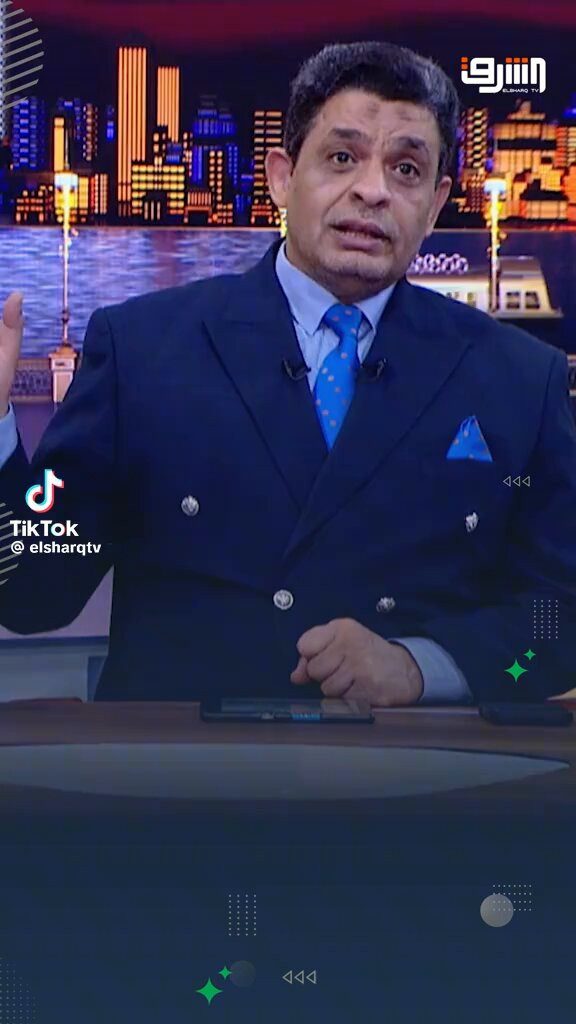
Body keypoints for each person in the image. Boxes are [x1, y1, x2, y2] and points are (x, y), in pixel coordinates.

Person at [1, 40, 575, 705]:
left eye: (407, 169)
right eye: (342, 158)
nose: (373, 190)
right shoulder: (141, 351)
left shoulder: (517, 380)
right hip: (177, 762)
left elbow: (557, 625)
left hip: (414, 764)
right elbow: (32, 590)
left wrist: (422, 667)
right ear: (281, 177)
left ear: (436, 202)